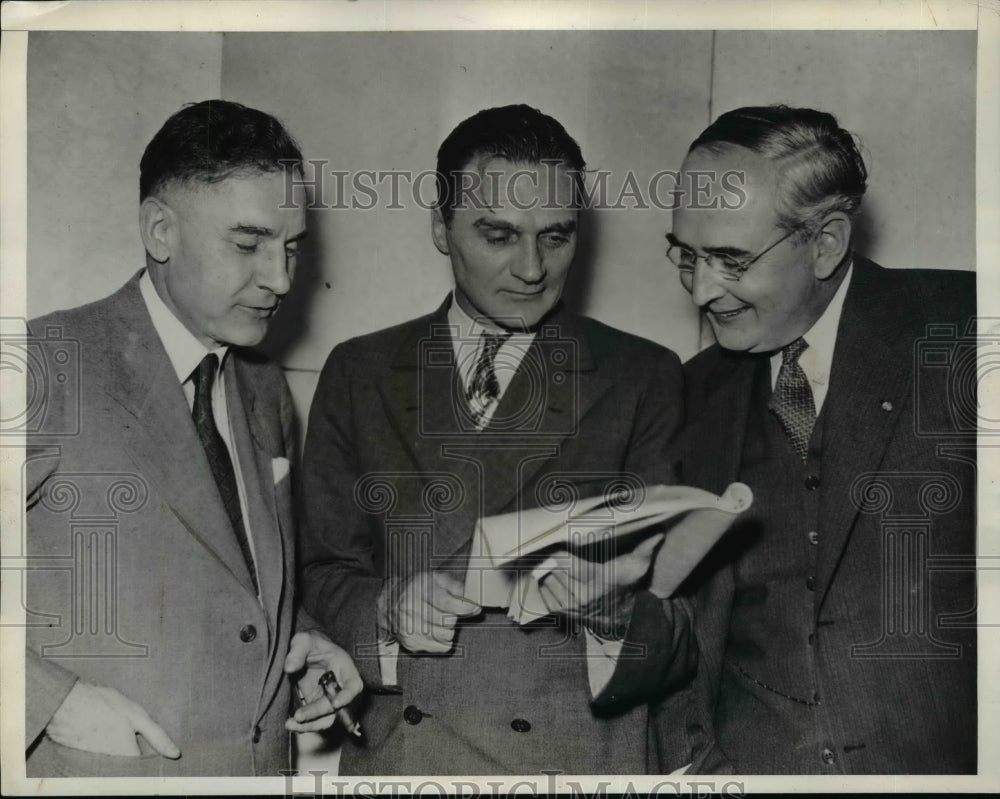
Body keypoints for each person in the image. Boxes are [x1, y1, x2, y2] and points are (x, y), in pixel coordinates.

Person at [299, 104, 695, 775]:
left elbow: (686, 629)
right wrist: (388, 610)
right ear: (439, 226)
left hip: (574, 759)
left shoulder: (644, 377)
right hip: (410, 759)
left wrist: (610, 609)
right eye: (499, 234)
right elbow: (323, 571)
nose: (533, 267)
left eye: (557, 236)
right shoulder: (359, 371)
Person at [24, 100, 361, 777]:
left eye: (291, 247)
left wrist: (304, 637)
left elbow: (233, 580)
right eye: (249, 244)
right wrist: (48, 699)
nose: (281, 279)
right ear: (160, 230)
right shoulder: (43, 362)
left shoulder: (263, 387)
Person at [655, 105, 976, 774]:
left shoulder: (968, 333)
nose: (704, 291)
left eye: (731, 259)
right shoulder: (684, 397)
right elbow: (673, 632)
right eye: (687, 257)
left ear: (826, 242)